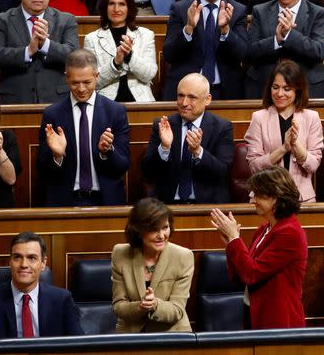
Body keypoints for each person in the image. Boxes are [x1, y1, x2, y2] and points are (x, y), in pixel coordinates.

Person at [210, 166, 308, 328]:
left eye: (257, 194)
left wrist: (235, 239)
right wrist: (230, 243)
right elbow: (242, 276)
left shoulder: (290, 233)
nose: (252, 199)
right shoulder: (264, 229)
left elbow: (252, 273)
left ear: (275, 198)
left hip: (279, 321)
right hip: (254, 313)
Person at [0, 232, 83, 354]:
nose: (24, 264)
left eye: (32, 258)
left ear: (43, 263)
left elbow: (80, 347)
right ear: (10, 262)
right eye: (17, 257)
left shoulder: (62, 300)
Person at [37, 49, 130, 206]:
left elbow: (123, 165)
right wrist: (57, 156)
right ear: (66, 77)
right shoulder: (52, 114)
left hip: (106, 200)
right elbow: (42, 169)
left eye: (87, 82)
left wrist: (107, 151)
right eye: (75, 83)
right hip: (65, 201)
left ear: (97, 76)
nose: (81, 89)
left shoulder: (115, 112)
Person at [0, 0, 79, 104]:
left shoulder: (66, 20)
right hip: (14, 100)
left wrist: (45, 45)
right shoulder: (2, 20)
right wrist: (27, 51)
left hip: (57, 101)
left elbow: (74, 57)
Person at [163, 0, 248, 100]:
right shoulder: (181, 8)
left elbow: (244, 54)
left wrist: (226, 30)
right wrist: (188, 28)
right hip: (186, 93)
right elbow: (169, 55)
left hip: (225, 92)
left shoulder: (237, 11)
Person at [142, 73, 234, 204]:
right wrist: (164, 148)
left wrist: (198, 152)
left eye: (192, 97)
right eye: (180, 96)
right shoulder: (163, 125)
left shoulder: (222, 127)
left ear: (207, 99)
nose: (184, 103)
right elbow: (148, 171)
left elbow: (223, 172)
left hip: (208, 205)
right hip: (167, 205)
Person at [245, 0, 324, 99]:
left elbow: (319, 51)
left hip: (306, 85)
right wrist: (276, 40)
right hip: (266, 86)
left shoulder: (318, 13)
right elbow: (250, 52)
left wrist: (289, 35)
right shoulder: (260, 11)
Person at [245, 60, 323, 202]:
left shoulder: (311, 117)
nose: (280, 93)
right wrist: (283, 149)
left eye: (287, 89)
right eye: (275, 87)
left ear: (297, 90)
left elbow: (313, 165)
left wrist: (295, 145)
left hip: (301, 198)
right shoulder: (259, 118)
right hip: (265, 197)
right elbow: (254, 166)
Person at [111, 198, 194, 332]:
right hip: (131, 336)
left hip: (171, 335)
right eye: (154, 229)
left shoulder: (183, 256)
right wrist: (140, 307)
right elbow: (118, 306)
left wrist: (155, 305)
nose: (161, 235)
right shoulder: (120, 254)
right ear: (138, 230)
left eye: (165, 227)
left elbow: (177, 310)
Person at [83, 0, 157, 102]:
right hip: (106, 102)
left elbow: (149, 74)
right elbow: (92, 82)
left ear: (129, 8)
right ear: (105, 7)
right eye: (111, 4)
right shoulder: (91, 39)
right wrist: (115, 63)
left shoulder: (146, 35)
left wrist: (130, 56)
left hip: (141, 100)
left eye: (122, 4)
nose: (116, 9)